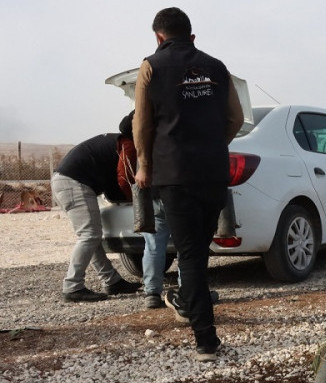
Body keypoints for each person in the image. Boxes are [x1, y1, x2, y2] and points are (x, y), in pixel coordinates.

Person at [133, 7, 244, 362]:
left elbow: (141, 125)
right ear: (192, 36)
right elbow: (236, 119)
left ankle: (206, 341)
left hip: (174, 174)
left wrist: (144, 166)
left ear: (158, 37)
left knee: (190, 255)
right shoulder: (217, 67)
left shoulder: (150, 66)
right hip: (213, 173)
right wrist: (214, 145)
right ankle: (194, 316)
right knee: (198, 251)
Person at [52, 120, 142, 302]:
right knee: (89, 235)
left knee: (92, 237)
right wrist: (136, 202)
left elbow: (113, 180)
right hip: (74, 183)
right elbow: (124, 180)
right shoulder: (128, 145)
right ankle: (72, 286)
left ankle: (111, 281)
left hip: (66, 181)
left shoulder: (116, 141)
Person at [117, 111, 172, 310]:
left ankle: (152, 293)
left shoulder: (145, 115)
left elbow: (124, 126)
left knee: (153, 245)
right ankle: (187, 291)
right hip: (180, 188)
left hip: (154, 188)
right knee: (187, 244)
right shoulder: (178, 109)